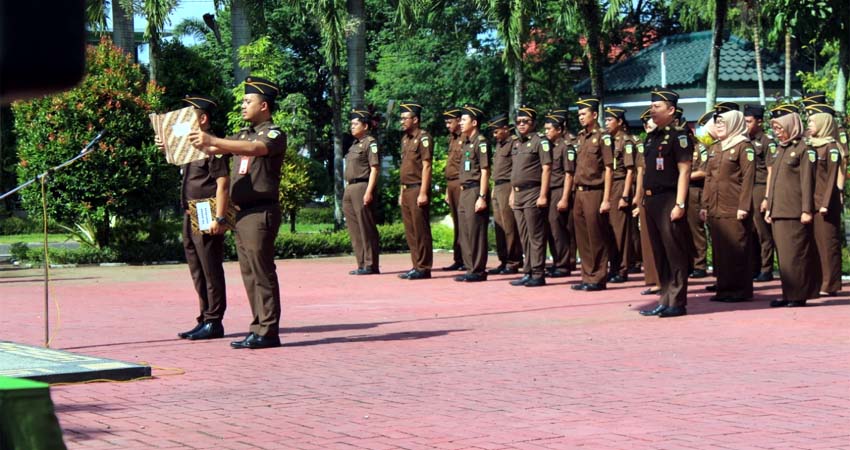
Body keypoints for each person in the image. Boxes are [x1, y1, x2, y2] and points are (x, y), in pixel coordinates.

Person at [190, 76, 285, 349]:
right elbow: (211, 146)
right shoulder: (243, 135)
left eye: (248, 101)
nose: (243, 105)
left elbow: (255, 149)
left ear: (264, 105)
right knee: (249, 273)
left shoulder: (273, 134)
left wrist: (214, 141)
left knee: (262, 271)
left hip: (260, 212)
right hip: (241, 213)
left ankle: (268, 330)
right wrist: (175, 144)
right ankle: (258, 327)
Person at [158, 95, 229, 341]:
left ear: (203, 118)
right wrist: (165, 145)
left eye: (190, 115)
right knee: (197, 269)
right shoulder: (189, 147)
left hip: (206, 209)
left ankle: (214, 320)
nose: (185, 120)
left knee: (210, 267)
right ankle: (204, 317)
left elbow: (223, 184)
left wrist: (220, 218)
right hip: (190, 211)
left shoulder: (213, 148)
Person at [638, 88, 692, 318]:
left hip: (669, 198)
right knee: (659, 252)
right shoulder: (653, 136)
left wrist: (680, 203)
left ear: (671, 109)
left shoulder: (679, 136)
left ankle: (677, 301)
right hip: (651, 200)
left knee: (674, 251)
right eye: (652, 105)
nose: (652, 109)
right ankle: (665, 298)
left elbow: (685, 169)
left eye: (657, 106)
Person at [765, 104, 820, 307]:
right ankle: (788, 294)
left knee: (796, 256)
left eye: (780, 128)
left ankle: (798, 295)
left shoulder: (804, 149)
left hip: (795, 211)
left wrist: (806, 209)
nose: (777, 132)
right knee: (785, 258)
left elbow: (807, 182)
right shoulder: (781, 149)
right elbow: (774, 180)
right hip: (779, 210)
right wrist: (769, 206)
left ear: (791, 125)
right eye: (775, 128)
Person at [700, 109, 755, 302]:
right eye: (717, 123)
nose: (719, 126)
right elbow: (708, 177)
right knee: (721, 252)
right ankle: (723, 289)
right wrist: (704, 205)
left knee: (736, 250)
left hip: (734, 206)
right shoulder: (715, 147)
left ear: (733, 124)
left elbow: (748, 178)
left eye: (723, 123)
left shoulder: (743, 146)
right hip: (716, 206)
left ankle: (739, 291)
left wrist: (744, 206)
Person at [572, 97, 613, 292]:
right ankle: (587, 275)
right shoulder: (580, 137)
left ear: (594, 115)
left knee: (596, 236)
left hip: (595, 191)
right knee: (582, 237)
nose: (580, 117)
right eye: (578, 114)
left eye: (583, 113)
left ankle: (598, 277)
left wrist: (606, 199)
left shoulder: (603, 137)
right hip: (579, 192)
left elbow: (608, 168)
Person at [509, 105, 551, 287]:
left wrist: (543, 195)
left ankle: (538, 273)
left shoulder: (540, 141)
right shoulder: (517, 143)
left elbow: (546, 168)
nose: (521, 125)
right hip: (518, 194)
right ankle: (527, 271)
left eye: (525, 121)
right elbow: (515, 172)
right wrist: (512, 193)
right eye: (518, 122)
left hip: (533, 192)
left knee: (535, 235)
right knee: (524, 235)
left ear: (533, 123)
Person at [804, 103, 843, 296]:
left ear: (823, 123)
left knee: (828, 244)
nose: (808, 125)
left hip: (825, 204)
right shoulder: (810, 145)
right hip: (811, 202)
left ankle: (831, 284)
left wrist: (825, 204)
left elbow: (831, 180)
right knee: (814, 244)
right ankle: (818, 282)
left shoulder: (832, 147)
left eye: (812, 121)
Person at [398, 102, 434, 280]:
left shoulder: (423, 138)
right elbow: (403, 167)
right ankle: (415, 265)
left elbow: (427, 166)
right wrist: (400, 192)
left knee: (421, 230)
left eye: (405, 118)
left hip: (417, 188)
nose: (402, 121)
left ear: (416, 119)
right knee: (411, 230)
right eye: (401, 117)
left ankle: (424, 267)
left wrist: (423, 192)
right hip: (406, 189)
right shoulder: (405, 139)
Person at [454, 104, 490, 282]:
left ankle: (478, 269)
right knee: (465, 232)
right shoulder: (466, 142)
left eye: (464, 120)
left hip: (475, 189)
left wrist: (482, 196)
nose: (460, 123)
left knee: (476, 232)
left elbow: (484, 170)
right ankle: (470, 268)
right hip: (464, 191)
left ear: (474, 122)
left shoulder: (480, 142)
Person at [343, 108, 381, 276]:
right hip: (350, 187)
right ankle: (361, 263)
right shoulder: (353, 145)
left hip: (362, 186)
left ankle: (371, 264)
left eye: (355, 124)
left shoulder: (370, 143)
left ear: (365, 126)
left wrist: (369, 191)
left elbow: (375, 168)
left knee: (366, 227)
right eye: (351, 124)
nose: (352, 127)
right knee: (354, 229)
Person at [602, 106, 635, 283]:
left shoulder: (626, 142)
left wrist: (625, 196)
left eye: (609, 120)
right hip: (609, 185)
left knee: (620, 230)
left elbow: (630, 171)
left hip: (620, 184)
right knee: (609, 230)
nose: (606, 123)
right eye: (605, 120)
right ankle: (613, 267)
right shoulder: (609, 140)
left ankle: (622, 269)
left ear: (620, 122)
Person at [744, 104, 776, 282]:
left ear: (759, 122)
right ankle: (753, 267)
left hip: (761, 186)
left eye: (749, 121)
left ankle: (766, 269)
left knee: (763, 232)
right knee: (750, 231)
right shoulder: (744, 140)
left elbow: (771, 171)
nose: (746, 124)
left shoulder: (766, 141)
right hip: (747, 188)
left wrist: (767, 197)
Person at [487, 114, 523, 275]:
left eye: (496, 131)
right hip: (498, 186)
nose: (494, 135)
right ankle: (504, 259)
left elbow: (515, 169)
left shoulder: (514, 143)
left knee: (509, 226)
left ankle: (513, 261)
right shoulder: (500, 145)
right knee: (499, 226)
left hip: (508, 186)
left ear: (505, 129)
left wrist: (513, 191)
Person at [542, 112, 576, 278]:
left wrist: (564, 198)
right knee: (550, 229)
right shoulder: (550, 147)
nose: (547, 132)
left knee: (558, 229)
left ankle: (563, 265)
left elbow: (569, 174)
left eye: (549, 129)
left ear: (559, 130)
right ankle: (557, 262)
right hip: (549, 191)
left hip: (559, 190)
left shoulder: (566, 147)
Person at [632, 108, 660, 296]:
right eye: (645, 122)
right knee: (648, 241)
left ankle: (664, 280)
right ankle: (653, 279)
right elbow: (641, 172)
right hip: (647, 195)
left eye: (651, 120)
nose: (647, 124)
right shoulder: (647, 142)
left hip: (663, 197)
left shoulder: (669, 140)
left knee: (662, 241)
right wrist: (638, 196)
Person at [441, 107, 466, 271]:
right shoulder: (452, 139)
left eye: (450, 122)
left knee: (465, 223)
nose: (448, 125)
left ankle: (466, 258)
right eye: (446, 122)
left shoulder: (466, 139)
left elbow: (465, 165)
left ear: (458, 120)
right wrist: (446, 190)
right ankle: (458, 258)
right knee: (457, 223)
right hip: (451, 184)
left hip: (461, 183)